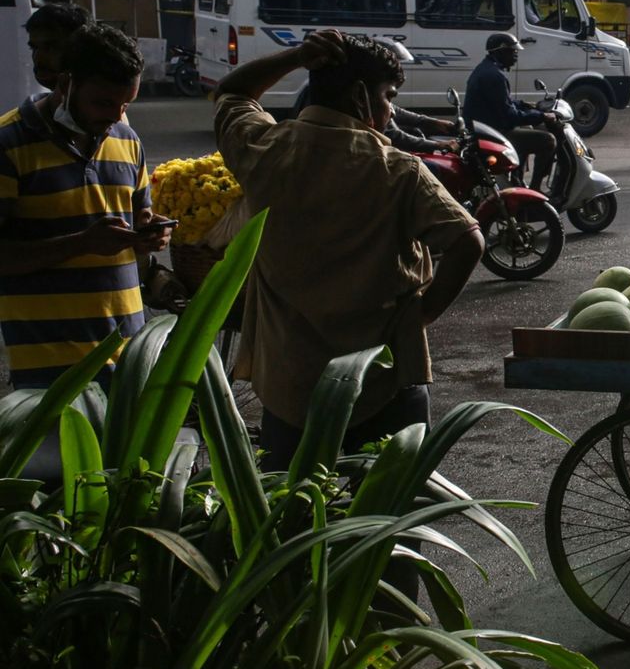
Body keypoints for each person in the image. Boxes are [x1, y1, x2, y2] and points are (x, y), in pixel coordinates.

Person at [213, 29, 483, 471]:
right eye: (388, 96)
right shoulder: (399, 170)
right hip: (383, 377)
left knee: (289, 512)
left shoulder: (262, 149)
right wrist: (423, 312)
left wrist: (298, 56)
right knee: (390, 516)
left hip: (289, 380)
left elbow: (232, 91)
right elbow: (468, 240)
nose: (391, 109)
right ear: (361, 97)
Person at [0, 22, 171, 389]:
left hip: (128, 360)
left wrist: (148, 233)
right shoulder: (8, 144)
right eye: (103, 102)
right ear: (65, 84)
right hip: (48, 372)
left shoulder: (127, 139)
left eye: (126, 103)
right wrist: (80, 243)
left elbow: (140, 213)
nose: (115, 115)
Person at [462, 33, 560, 191]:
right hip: (492, 132)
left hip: (487, 127)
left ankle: (517, 179)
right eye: (512, 52)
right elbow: (510, 116)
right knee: (548, 140)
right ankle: (535, 190)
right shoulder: (494, 76)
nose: (516, 55)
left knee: (528, 129)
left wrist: (526, 105)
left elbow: (501, 102)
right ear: (500, 52)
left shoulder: (487, 69)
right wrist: (542, 116)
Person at [23, 2, 90, 97]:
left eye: (50, 48)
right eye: (34, 47)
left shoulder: (112, 108)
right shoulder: (27, 111)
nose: (38, 57)